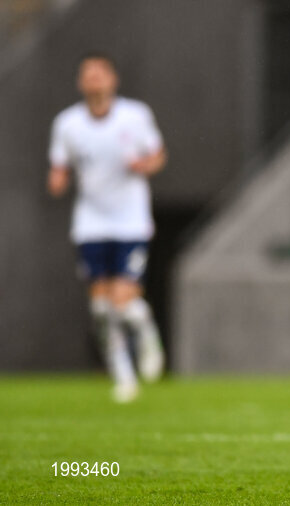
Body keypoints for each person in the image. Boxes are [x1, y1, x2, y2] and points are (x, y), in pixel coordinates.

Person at [48, 53, 167, 403]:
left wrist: (144, 164)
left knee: (123, 302)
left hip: (130, 221)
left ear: (113, 79)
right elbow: (59, 166)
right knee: (101, 308)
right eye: (88, 75)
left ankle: (146, 333)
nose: (94, 80)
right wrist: (57, 180)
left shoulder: (135, 115)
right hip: (91, 223)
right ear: (80, 82)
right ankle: (123, 376)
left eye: (100, 73)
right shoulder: (67, 124)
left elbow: (158, 155)